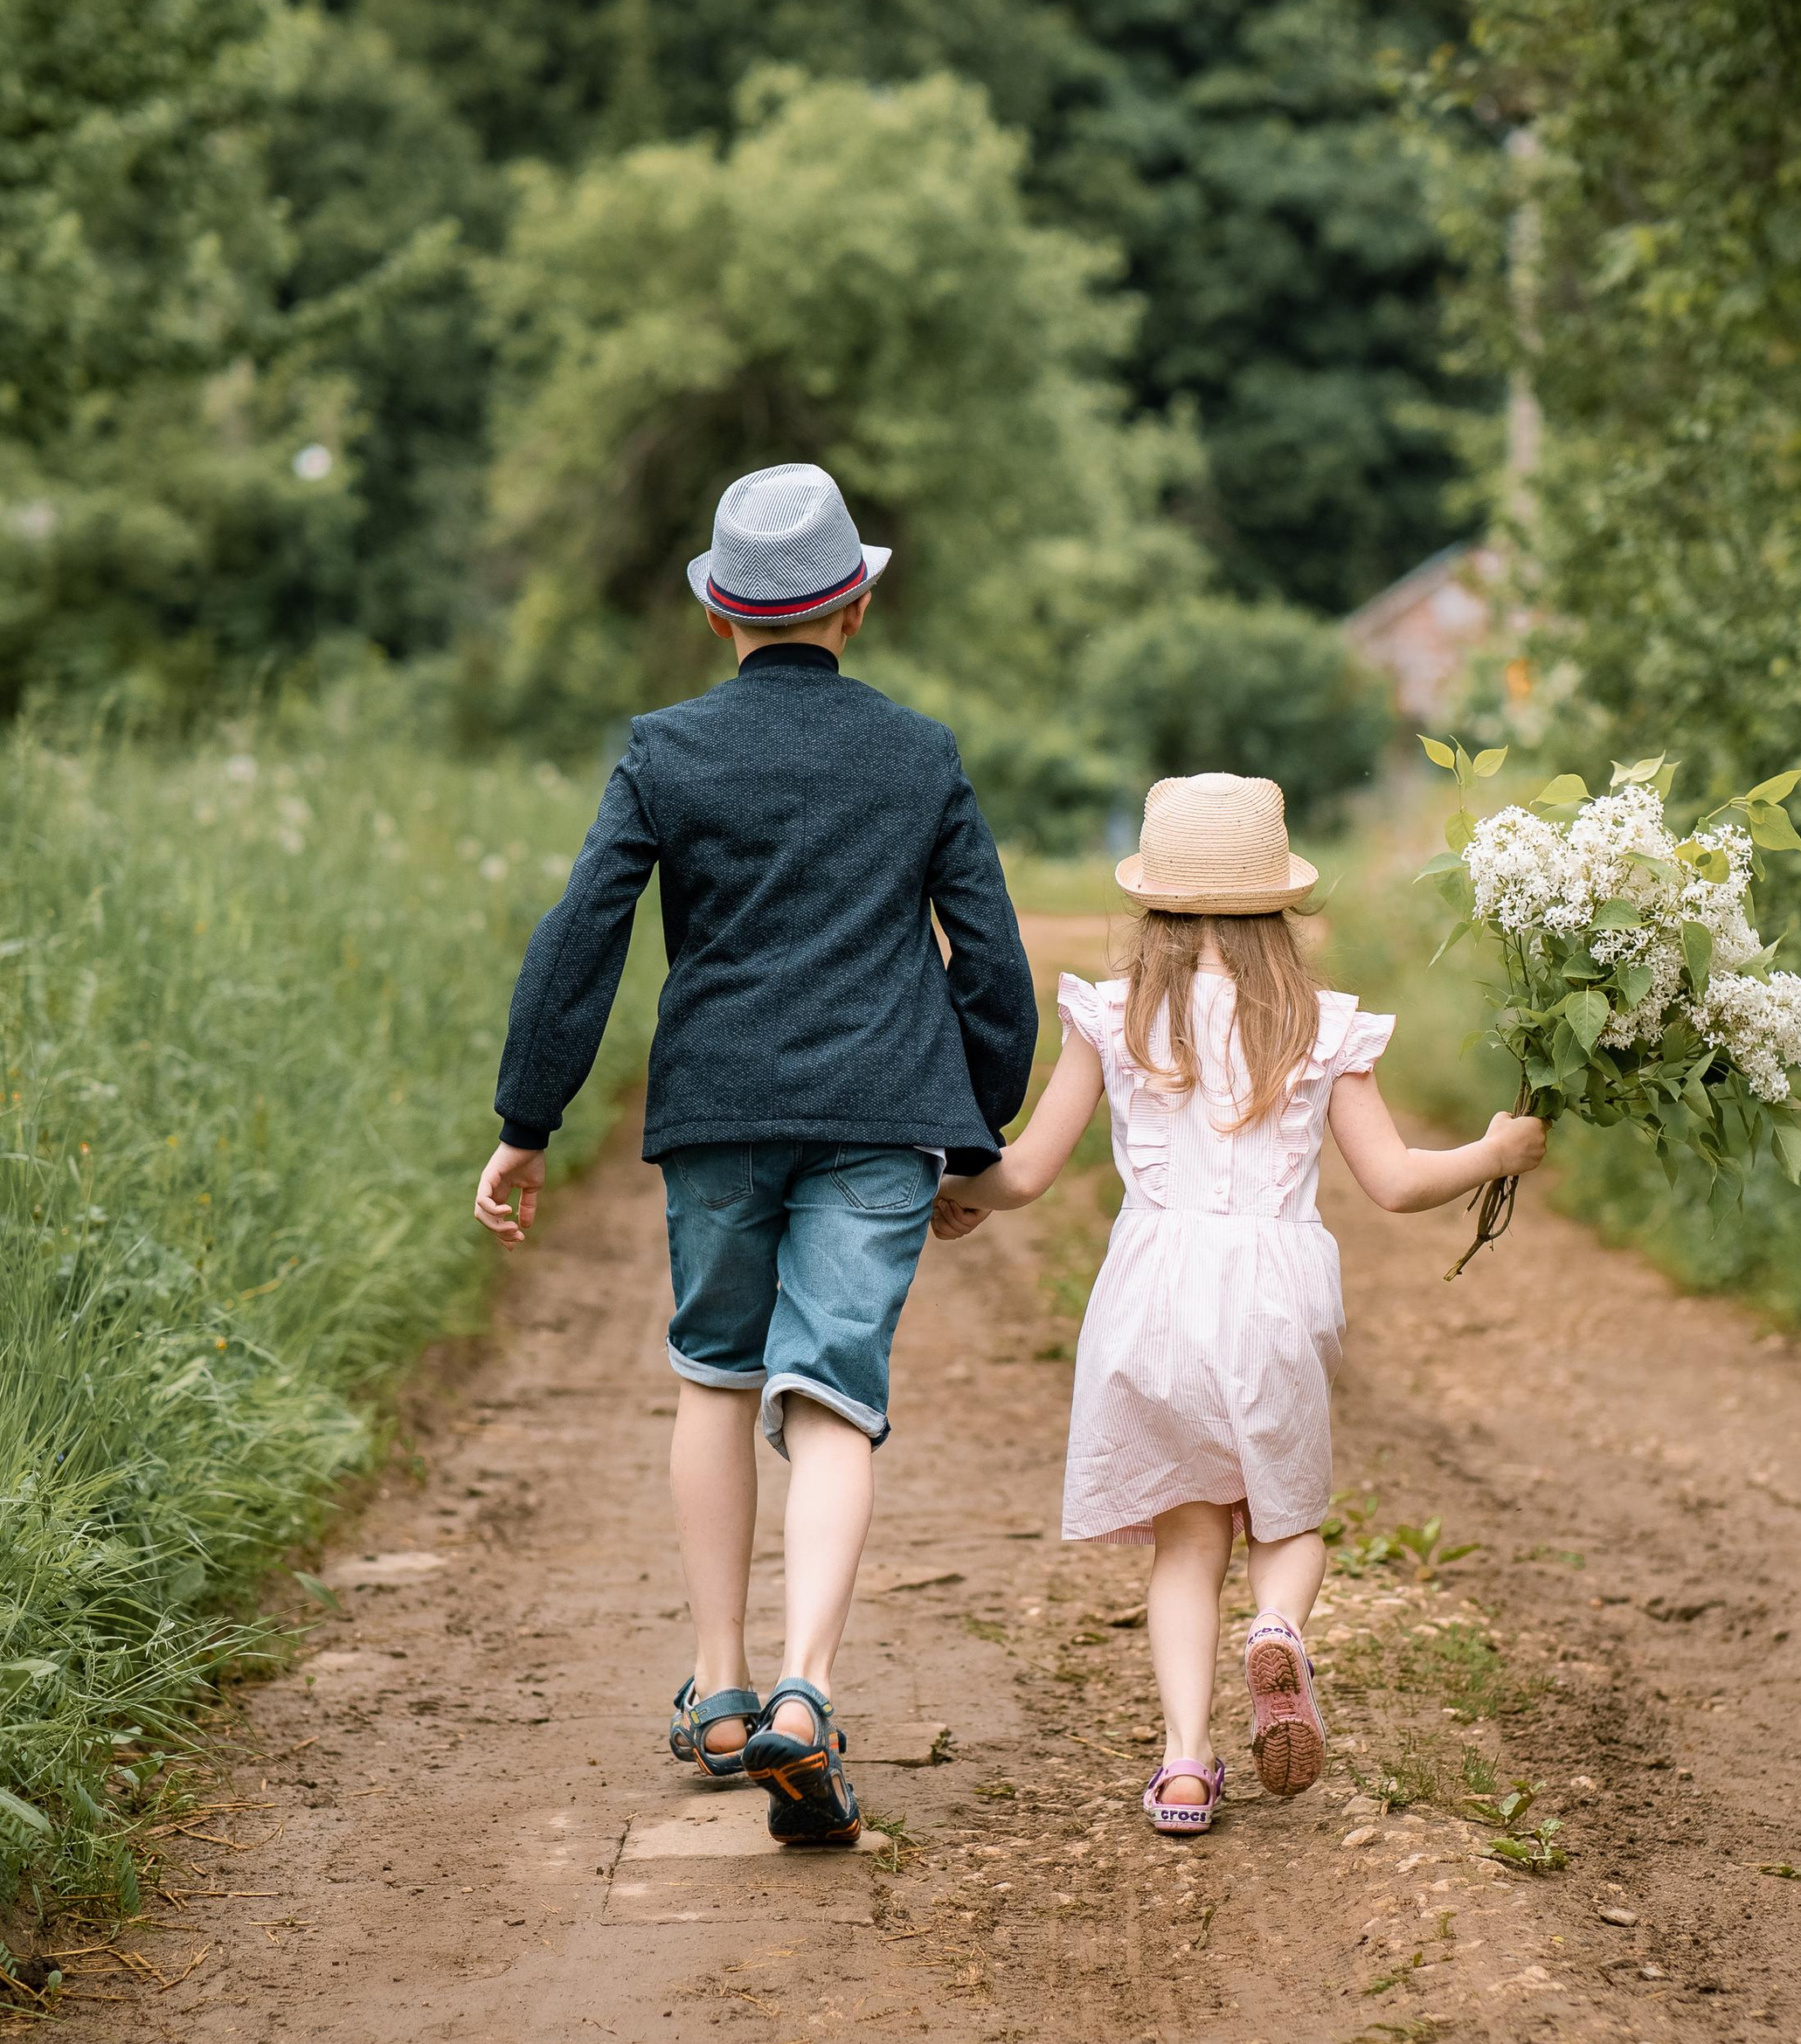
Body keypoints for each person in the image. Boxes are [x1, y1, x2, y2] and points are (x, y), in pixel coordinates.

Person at [473, 463, 1037, 1846]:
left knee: (717, 1381)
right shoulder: (919, 752)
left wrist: (526, 1121)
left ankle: (720, 1688)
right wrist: (978, 1130)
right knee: (834, 1394)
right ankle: (806, 1693)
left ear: (721, 616)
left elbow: (579, 940)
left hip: (719, 1112)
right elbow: (995, 966)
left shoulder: (665, 750)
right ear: (855, 606)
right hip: (880, 1115)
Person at [933, 770, 1548, 1837]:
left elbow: (1025, 1170)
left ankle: (1181, 1765)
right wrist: (1495, 1152)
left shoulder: (1113, 1014)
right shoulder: (1318, 1025)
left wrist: (957, 1196)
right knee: (1287, 1517)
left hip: (1151, 1292)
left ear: (1149, 903)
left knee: (1185, 1535)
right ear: (1283, 904)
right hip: (1275, 1291)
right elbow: (1396, 1183)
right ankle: (1276, 1628)